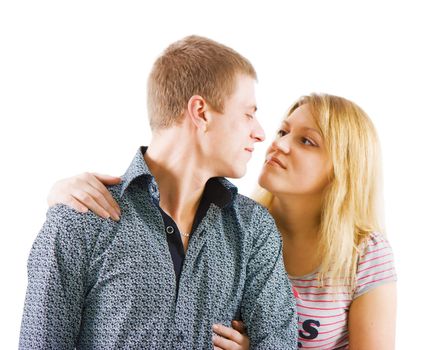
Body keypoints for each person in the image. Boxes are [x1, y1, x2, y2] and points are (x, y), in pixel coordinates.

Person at [50, 93, 397, 349]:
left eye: (307, 141)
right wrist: (62, 196)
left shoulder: (365, 253)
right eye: (283, 131)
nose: (279, 144)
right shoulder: (240, 225)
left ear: (344, 169)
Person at [19, 35, 298, 349]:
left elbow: (280, 342)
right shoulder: (78, 222)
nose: (260, 133)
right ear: (201, 112)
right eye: (248, 113)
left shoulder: (253, 230)